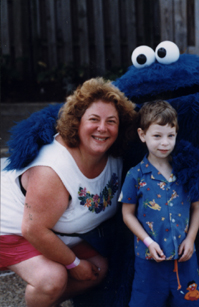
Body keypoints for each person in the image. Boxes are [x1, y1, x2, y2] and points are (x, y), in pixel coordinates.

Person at [0, 78, 136, 307]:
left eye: (111, 121)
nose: (102, 128)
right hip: (13, 230)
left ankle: (45, 302)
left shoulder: (115, 156)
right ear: (77, 122)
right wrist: (74, 264)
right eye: (94, 119)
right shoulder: (52, 169)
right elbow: (33, 229)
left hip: (56, 231)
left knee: (98, 269)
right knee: (52, 279)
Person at [119, 100, 199, 307]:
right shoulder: (135, 175)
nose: (164, 143)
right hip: (149, 257)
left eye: (170, 136)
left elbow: (196, 207)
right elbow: (127, 214)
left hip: (184, 256)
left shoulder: (186, 169)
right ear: (142, 135)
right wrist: (148, 242)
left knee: (189, 302)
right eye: (157, 136)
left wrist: (191, 239)